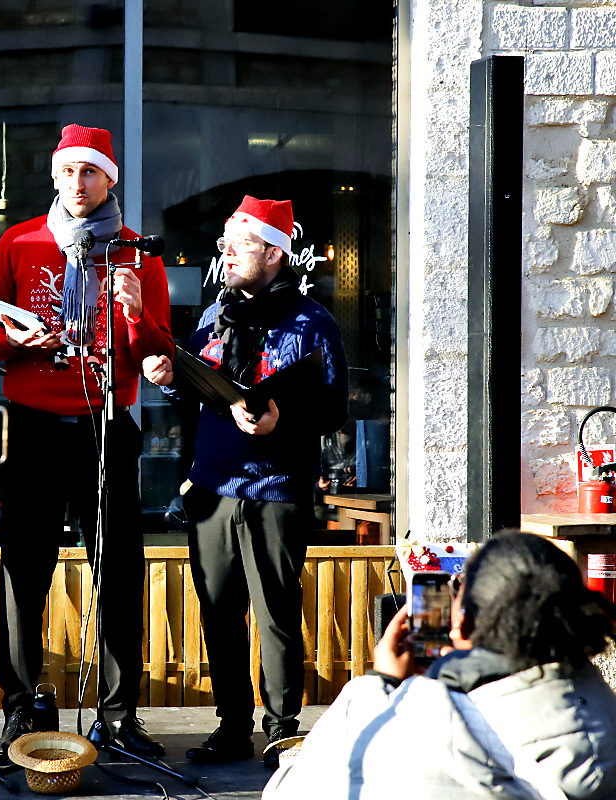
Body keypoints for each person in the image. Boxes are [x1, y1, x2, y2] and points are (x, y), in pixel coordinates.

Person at [0, 124, 173, 756]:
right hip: (32, 424)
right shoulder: (19, 241)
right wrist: (13, 340)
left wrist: (137, 313)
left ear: (110, 179)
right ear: (55, 176)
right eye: (67, 171)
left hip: (106, 425)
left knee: (118, 570)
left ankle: (119, 714)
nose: (77, 183)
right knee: (22, 569)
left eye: (90, 172)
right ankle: (19, 706)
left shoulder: (138, 253)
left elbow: (159, 354)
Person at [142, 195, 348, 766]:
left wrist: (284, 419)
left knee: (276, 613)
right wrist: (168, 376)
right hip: (212, 488)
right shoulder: (214, 314)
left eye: (241, 245)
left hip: (277, 489)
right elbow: (193, 391)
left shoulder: (313, 322)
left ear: (274, 254)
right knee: (219, 612)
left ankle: (282, 730)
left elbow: (333, 409)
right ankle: (232, 726)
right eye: (225, 244)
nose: (227, 254)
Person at [264, 531, 616, 799]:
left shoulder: (423, 725)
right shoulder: (604, 720)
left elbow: (286, 791)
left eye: (458, 587)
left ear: (463, 624)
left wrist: (377, 685)